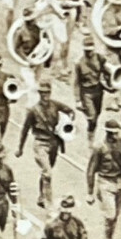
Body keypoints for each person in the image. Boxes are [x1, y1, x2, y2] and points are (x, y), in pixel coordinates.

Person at [16, 80, 74, 209]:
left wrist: (66, 122)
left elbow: (70, 111)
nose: (45, 95)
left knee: (46, 172)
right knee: (47, 173)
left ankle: (42, 196)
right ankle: (49, 203)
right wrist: (20, 148)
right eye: (42, 93)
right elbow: (25, 129)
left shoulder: (55, 105)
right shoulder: (33, 110)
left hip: (54, 143)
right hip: (40, 143)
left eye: (47, 92)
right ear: (39, 94)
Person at [85, 118, 121, 239]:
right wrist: (90, 192)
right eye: (113, 133)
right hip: (105, 182)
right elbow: (91, 170)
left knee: (115, 217)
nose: (116, 136)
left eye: (117, 133)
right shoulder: (99, 147)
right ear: (108, 133)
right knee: (110, 215)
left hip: (119, 181)